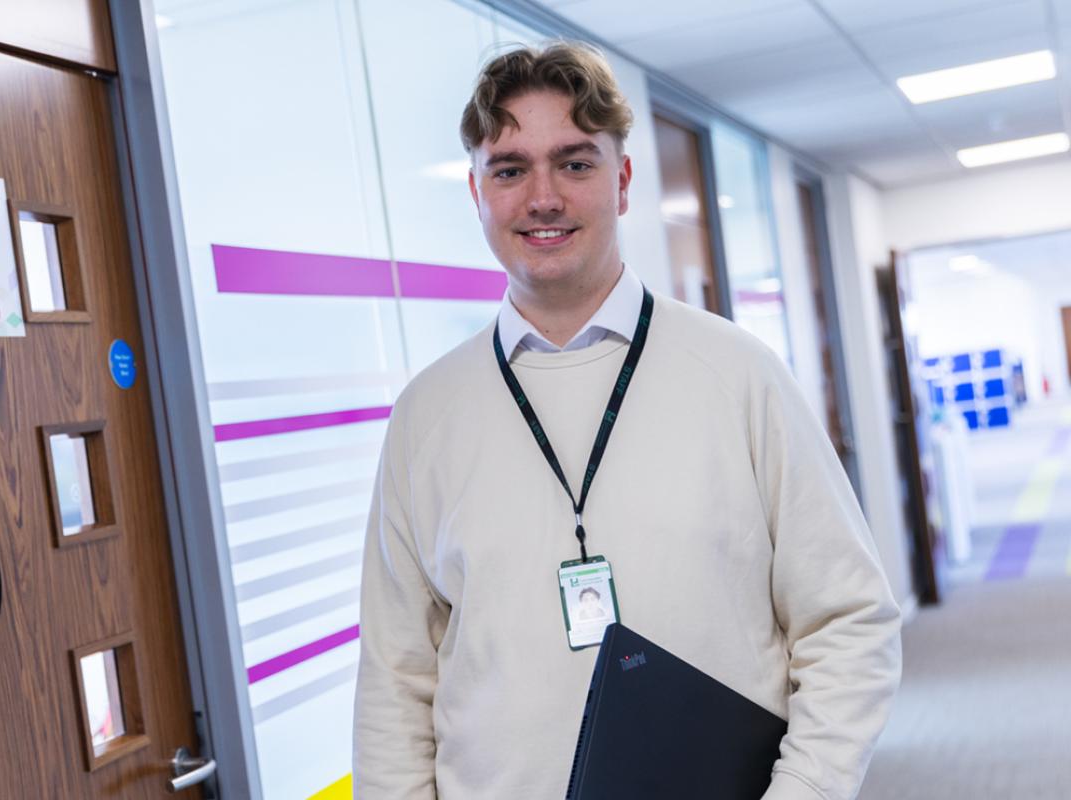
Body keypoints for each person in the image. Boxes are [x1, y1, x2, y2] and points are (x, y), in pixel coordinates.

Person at [354, 41, 901, 800]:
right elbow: (394, 681)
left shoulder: (738, 374)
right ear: (477, 194)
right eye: (510, 169)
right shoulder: (426, 416)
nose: (542, 197)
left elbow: (850, 621)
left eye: (575, 163)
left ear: (623, 182)